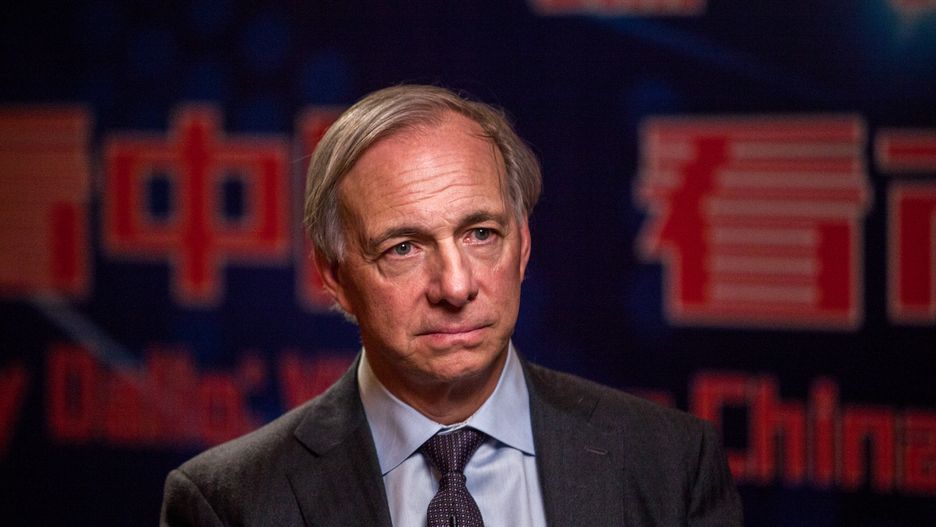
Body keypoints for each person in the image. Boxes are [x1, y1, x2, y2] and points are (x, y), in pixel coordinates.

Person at [160, 84, 742, 526]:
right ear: (334, 276)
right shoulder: (229, 503)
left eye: (481, 234)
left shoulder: (672, 463)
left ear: (523, 245)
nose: (456, 286)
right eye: (404, 248)